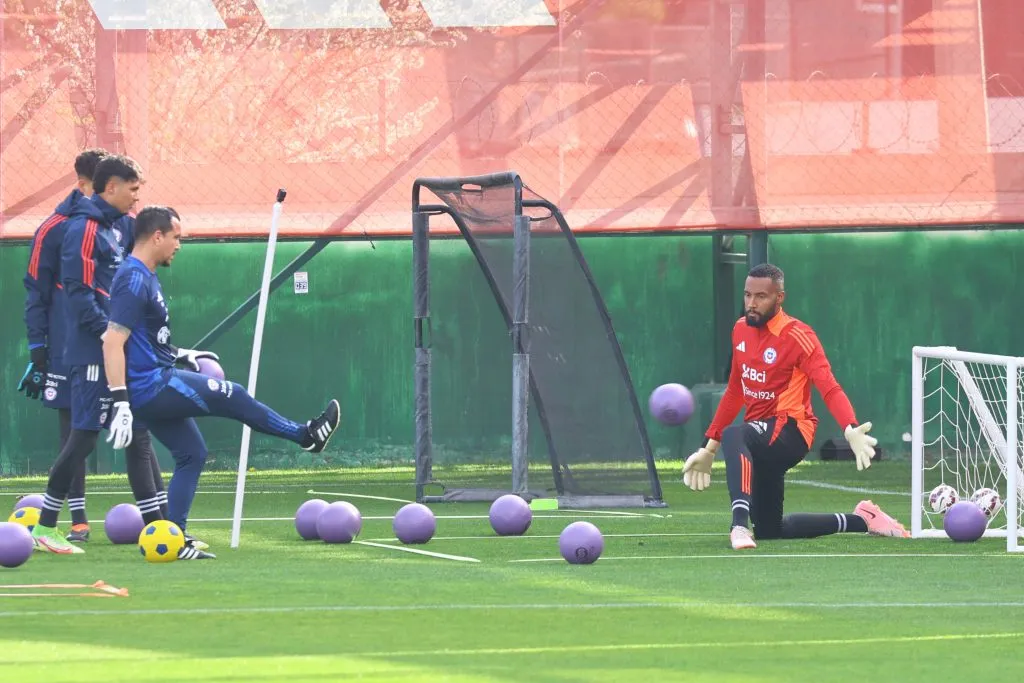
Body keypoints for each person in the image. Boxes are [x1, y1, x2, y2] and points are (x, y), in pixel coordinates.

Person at [102, 206, 341, 558]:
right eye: (176, 238)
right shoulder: (134, 279)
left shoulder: (145, 276)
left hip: (155, 377)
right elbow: (112, 341)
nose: (179, 246)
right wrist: (120, 401)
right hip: (150, 386)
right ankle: (306, 436)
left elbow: (145, 340)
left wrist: (185, 354)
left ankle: (175, 539)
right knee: (233, 395)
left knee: (192, 454)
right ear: (157, 236)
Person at [682, 263, 909, 550]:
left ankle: (739, 525)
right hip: (759, 440)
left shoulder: (798, 336)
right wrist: (708, 448)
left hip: (792, 431)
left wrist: (850, 427)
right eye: (747, 295)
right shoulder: (740, 330)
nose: (751, 303)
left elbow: (829, 386)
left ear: (780, 298)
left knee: (734, 434)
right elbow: (735, 391)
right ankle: (862, 519)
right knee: (770, 530)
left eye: (761, 296)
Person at [30, 155, 170, 555]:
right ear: (110, 188)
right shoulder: (84, 229)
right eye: (132, 190)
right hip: (93, 351)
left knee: (136, 433)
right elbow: (77, 292)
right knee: (85, 436)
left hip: (114, 347)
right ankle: (46, 526)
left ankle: (161, 530)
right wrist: (109, 334)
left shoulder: (117, 228)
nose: (136, 198)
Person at [19, 149, 105, 542]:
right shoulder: (53, 228)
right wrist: (38, 347)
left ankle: (162, 519)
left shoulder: (121, 225)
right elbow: (36, 290)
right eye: (99, 185)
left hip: (113, 342)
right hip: (68, 349)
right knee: (73, 427)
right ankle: (77, 518)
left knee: (139, 424)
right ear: (83, 184)